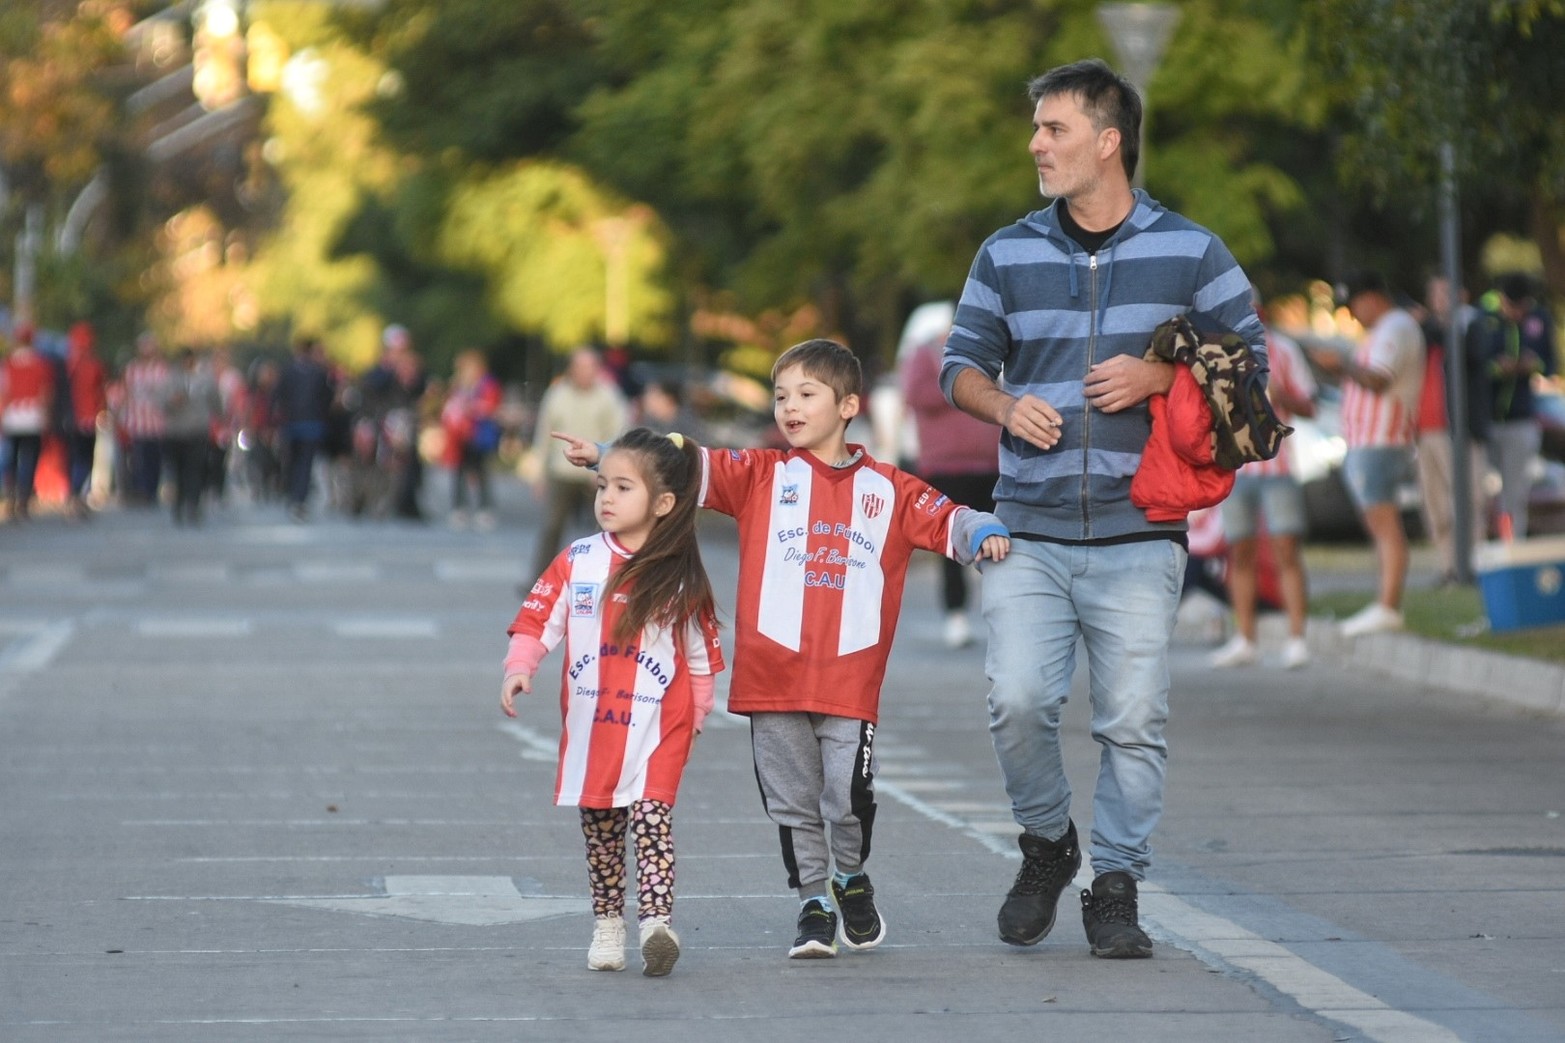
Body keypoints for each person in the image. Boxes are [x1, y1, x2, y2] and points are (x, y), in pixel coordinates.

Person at [941, 58, 1267, 960]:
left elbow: (1254, 374)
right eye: (1037, 128)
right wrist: (1004, 405)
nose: (1036, 144)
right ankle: (1047, 845)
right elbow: (955, 366)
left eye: (1054, 129)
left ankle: (1114, 884)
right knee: (1015, 700)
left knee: (1131, 718)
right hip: (1026, 530)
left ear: (1107, 140)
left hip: (1140, 533)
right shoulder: (1004, 251)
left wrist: (1163, 374)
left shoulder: (1193, 251)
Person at [557, 339, 1010, 960]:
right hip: (771, 678)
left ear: (848, 404)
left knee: (846, 799)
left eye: (805, 394)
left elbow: (947, 517)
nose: (789, 407)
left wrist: (982, 527)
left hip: (850, 681)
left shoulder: (890, 488)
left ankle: (849, 876)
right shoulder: (760, 475)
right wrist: (605, 456)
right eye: (780, 396)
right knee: (794, 803)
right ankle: (813, 904)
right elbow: (679, 467)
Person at [501, 427, 724, 977]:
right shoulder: (577, 560)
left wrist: (696, 714)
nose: (607, 498)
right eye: (603, 486)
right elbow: (537, 620)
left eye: (624, 488)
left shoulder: (678, 573)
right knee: (601, 831)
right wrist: (519, 668)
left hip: (660, 726)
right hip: (593, 725)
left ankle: (656, 925)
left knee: (652, 819)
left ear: (663, 503)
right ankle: (607, 924)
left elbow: (698, 657)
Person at [1309, 271, 1426, 636]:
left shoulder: (1395, 328)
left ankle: (1388, 605)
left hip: (1381, 440)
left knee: (1384, 525)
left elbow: (1379, 379)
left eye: (1356, 305)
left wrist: (1340, 365)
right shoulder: (1383, 330)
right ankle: (1383, 602)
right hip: (1369, 441)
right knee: (1379, 526)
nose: (1354, 315)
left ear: (1372, 298)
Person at [1210, 301, 1317, 670]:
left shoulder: (1284, 350)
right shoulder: (1219, 353)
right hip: (1236, 470)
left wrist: (1284, 397)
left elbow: (1311, 406)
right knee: (1239, 554)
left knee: (1286, 550)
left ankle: (1297, 638)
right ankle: (1246, 639)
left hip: (1278, 467)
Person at [899, 301, 1001, 648]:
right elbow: (914, 395)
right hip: (945, 466)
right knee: (951, 545)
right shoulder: (924, 353)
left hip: (992, 464)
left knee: (1000, 542)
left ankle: (1003, 615)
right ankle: (955, 617)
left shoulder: (992, 348)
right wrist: (963, 387)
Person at [1416, 273, 1491, 574]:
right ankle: (1448, 565)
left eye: (1446, 292)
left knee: (1468, 499)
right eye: (1434, 293)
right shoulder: (1425, 332)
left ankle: (1474, 562)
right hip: (1425, 430)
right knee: (1436, 505)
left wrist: (1445, 324)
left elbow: (1473, 356)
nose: (1439, 300)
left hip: (1459, 429)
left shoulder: (1471, 326)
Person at [530, 347, 628, 578]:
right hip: (561, 471)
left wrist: (609, 470)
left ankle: (609, 579)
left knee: (606, 527)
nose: (585, 372)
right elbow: (544, 434)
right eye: (580, 367)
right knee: (552, 527)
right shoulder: (557, 394)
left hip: (597, 475)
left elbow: (619, 433)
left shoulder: (609, 396)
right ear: (571, 369)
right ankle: (540, 580)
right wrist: (538, 474)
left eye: (590, 367)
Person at [1479, 273, 1557, 538]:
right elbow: (1473, 364)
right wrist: (1496, 368)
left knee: (1515, 491)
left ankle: (1512, 542)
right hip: (1485, 418)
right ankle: (1480, 544)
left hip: (1521, 418)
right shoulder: (1484, 318)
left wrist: (1531, 365)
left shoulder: (1539, 319)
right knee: (1481, 489)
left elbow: (1550, 363)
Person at [273, 337, 336, 522]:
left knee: (292, 461)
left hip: (292, 423)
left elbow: (278, 396)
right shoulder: (319, 373)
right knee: (305, 463)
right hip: (312, 424)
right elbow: (327, 397)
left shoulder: (288, 371)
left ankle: (293, 496)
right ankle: (299, 498)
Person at [440, 349, 503, 530]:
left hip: (479, 434)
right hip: (460, 434)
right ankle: (460, 507)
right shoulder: (459, 384)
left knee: (481, 471)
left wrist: (472, 407)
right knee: (459, 471)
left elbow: (491, 406)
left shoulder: (487, 384)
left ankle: (485, 508)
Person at [161, 347, 223, 526]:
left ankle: (193, 504)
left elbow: (216, 403)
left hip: (197, 431)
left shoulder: (205, 379)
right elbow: (161, 404)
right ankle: (178, 504)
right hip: (176, 432)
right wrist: (173, 401)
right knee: (177, 470)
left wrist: (218, 417)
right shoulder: (171, 380)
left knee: (195, 469)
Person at [1, 324, 57, 521]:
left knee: (12, 459)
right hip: (33, 416)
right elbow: (45, 392)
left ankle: (11, 494)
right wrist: (46, 414)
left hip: (12, 416)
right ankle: (24, 497)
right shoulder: (40, 364)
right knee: (30, 458)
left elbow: (4, 392)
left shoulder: (8, 363)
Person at [119, 331, 169, 507]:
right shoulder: (132, 369)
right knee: (138, 459)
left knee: (154, 459)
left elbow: (168, 395)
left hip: (157, 423)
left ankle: (152, 490)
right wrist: (121, 416)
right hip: (137, 423)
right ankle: (141, 490)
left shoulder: (162, 370)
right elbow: (124, 393)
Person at [63, 322, 108, 519]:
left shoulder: (68, 365)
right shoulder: (94, 364)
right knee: (85, 459)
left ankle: (74, 495)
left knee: (73, 459)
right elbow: (101, 392)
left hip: (70, 418)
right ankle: (77, 495)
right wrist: (103, 411)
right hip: (88, 418)